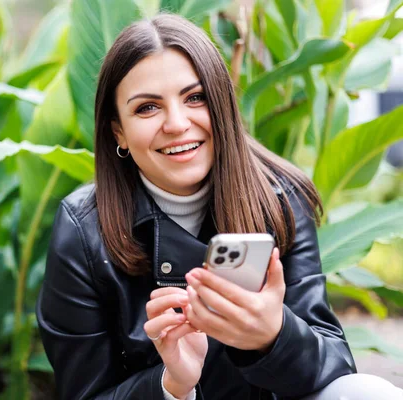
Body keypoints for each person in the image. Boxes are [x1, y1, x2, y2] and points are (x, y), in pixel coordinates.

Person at [36, 13, 403, 400]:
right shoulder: (83, 230)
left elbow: (335, 368)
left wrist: (273, 336)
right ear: (119, 132)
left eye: (195, 98)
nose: (177, 123)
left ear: (222, 106)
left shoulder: (279, 198)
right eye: (147, 108)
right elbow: (84, 392)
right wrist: (172, 384)